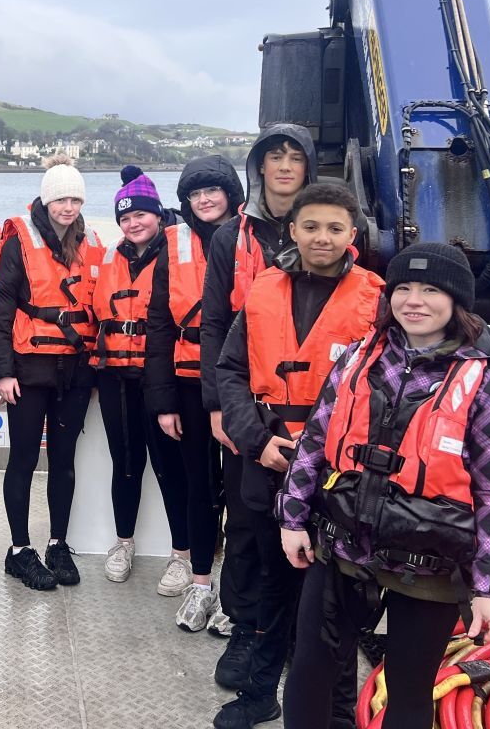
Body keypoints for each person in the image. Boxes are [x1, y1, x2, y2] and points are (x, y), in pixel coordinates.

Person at [278, 242, 490, 729]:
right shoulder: (358, 357)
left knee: (410, 689)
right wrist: (292, 516)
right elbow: (316, 440)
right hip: (342, 542)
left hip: (429, 561)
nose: (414, 300)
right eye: (404, 288)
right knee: (310, 667)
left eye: (431, 289)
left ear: (456, 302)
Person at [213, 183, 383, 728]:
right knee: (272, 586)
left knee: (334, 605)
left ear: (353, 235)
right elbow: (230, 373)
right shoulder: (263, 290)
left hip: (339, 477)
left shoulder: (377, 299)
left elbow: (391, 390)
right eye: (310, 226)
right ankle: (261, 693)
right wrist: (257, 440)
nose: (322, 238)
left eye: (335, 228)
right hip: (266, 461)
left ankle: (337, 715)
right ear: (292, 230)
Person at [199, 123, 315, 684]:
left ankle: (297, 632)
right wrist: (218, 406)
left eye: (296, 156)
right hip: (249, 403)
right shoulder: (229, 239)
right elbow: (215, 324)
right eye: (276, 157)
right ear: (260, 167)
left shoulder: (334, 232)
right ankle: (246, 629)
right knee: (244, 522)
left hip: (317, 410)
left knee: (311, 523)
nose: (286, 165)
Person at [0, 155, 104, 590]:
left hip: (74, 369)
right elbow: (0, 310)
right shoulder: (20, 239)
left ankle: (58, 543)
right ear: (46, 198)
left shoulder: (89, 239)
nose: (68, 207)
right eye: (61, 198)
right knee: (21, 458)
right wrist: (2, 372)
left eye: (75, 198)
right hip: (27, 368)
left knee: (64, 459)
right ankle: (19, 550)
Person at [144, 155, 243, 631]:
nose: (204, 200)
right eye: (195, 193)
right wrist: (162, 400)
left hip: (240, 382)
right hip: (185, 382)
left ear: (231, 193)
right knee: (198, 487)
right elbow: (159, 323)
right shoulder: (172, 243)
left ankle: (237, 594)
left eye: (213, 190)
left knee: (245, 495)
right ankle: (200, 583)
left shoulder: (253, 237)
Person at [91, 173, 182, 588]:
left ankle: (182, 554)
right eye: (125, 218)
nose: (133, 224)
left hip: (161, 376)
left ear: (158, 214)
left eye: (142, 214)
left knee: (170, 467)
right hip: (115, 377)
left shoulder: (177, 254)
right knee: (125, 464)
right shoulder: (110, 257)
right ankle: (123, 542)